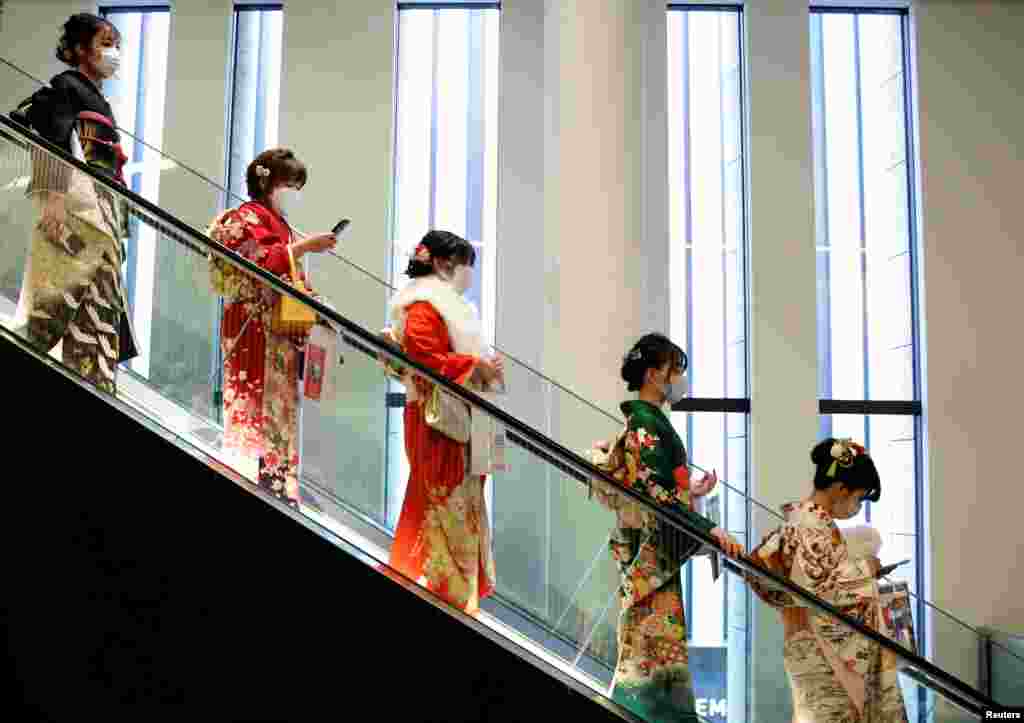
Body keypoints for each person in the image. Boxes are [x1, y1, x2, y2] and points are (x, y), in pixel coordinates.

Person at [587, 332, 744, 722]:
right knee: (651, 648)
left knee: (654, 647)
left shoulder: (646, 422)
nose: (679, 379)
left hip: (647, 542)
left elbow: (654, 485)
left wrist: (689, 488)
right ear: (655, 375)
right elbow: (655, 492)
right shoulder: (645, 424)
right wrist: (707, 529)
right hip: (647, 549)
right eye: (675, 370)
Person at [206, 148, 338, 509]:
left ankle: (277, 483)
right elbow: (259, 260)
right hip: (254, 324)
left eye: (297, 185)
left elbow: (289, 272)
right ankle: (252, 477)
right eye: (290, 184)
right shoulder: (245, 216)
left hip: (279, 329)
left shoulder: (280, 225)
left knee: (280, 408)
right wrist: (305, 247)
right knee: (256, 402)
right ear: (268, 183)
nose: (294, 192)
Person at [14, 13, 138, 393]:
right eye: (104, 44)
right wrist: (53, 200)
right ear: (80, 49)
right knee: (63, 296)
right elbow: (54, 140)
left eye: (115, 45)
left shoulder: (98, 97)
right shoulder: (66, 86)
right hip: (78, 207)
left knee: (97, 302)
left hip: (102, 206)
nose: (113, 53)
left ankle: (91, 386)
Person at [746, 437, 910, 723]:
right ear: (839, 489)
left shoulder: (811, 523)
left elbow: (818, 582)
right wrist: (865, 570)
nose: (857, 507)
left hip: (813, 643)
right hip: (819, 648)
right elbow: (821, 591)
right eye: (858, 498)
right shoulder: (808, 526)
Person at [386, 230, 504, 614]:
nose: (468, 273)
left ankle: (455, 596)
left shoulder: (448, 306)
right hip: (437, 421)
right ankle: (445, 596)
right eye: (464, 264)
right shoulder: (422, 305)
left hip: (457, 420)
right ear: (439, 263)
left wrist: (485, 365)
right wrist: (475, 365)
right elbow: (425, 359)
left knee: (458, 503)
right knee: (442, 501)